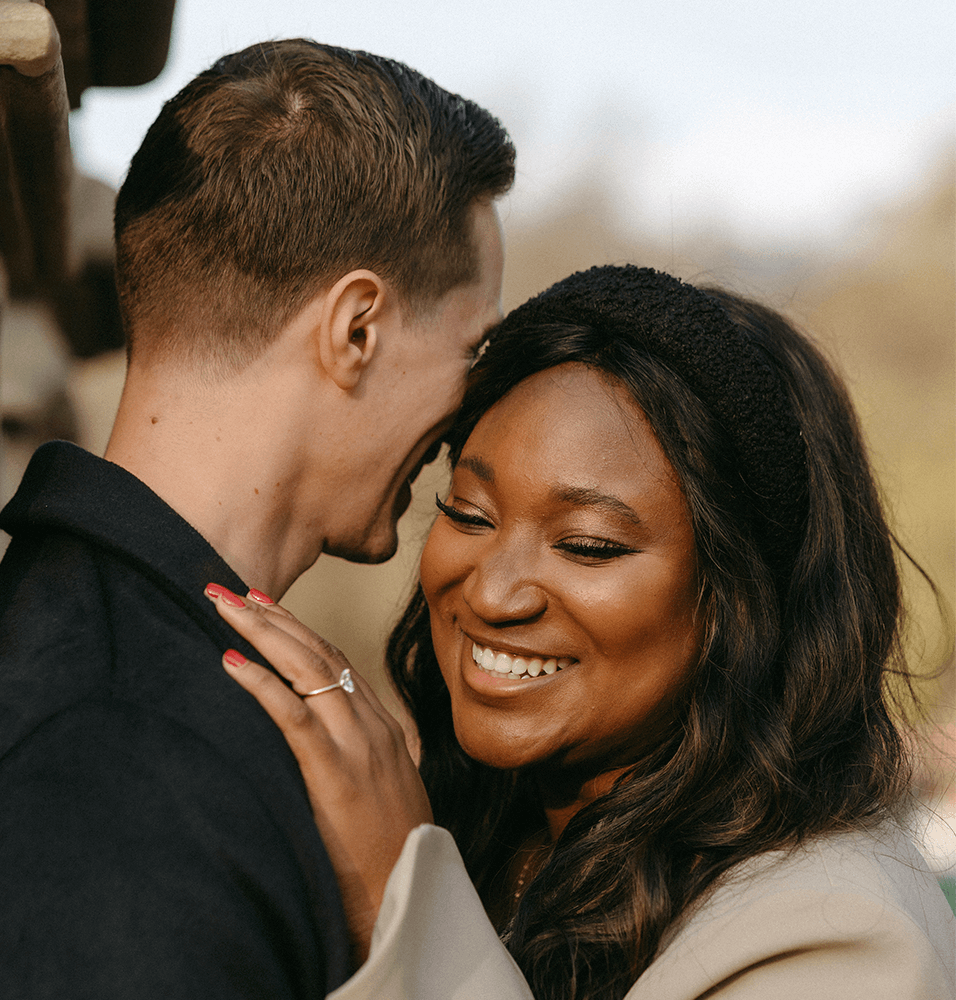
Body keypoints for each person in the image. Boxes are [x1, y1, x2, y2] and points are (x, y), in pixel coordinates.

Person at [209, 264, 955, 999]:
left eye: (589, 545)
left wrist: (404, 907)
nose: (494, 593)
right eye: (468, 513)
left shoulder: (838, 938)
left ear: (743, 593)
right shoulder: (495, 830)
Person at [0, 38, 513, 999]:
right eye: (473, 347)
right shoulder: (117, 777)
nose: (472, 411)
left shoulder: (135, 679)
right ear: (356, 330)